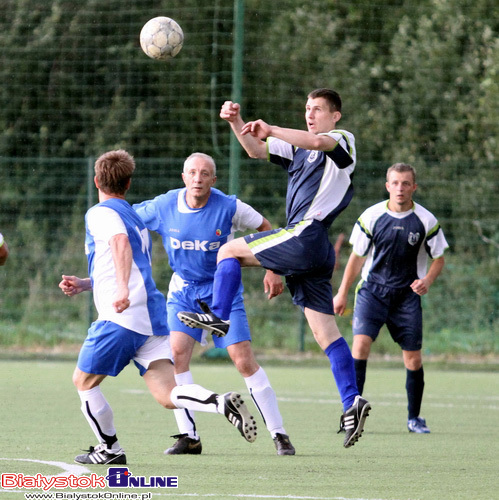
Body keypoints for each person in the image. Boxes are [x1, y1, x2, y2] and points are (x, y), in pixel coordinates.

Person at [178, 88, 371, 449]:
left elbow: (317, 141)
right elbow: (254, 149)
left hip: (307, 234)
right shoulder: (299, 148)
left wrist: (273, 128)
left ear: (335, 116)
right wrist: (237, 121)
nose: (310, 114)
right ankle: (351, 403)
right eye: (307, 109)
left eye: (317, 109)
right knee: (326, 335)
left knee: (229, 252)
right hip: (315, 249)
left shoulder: (342, 141)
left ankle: (218, 317)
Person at [59, 149, 257, 465]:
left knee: (83, 382)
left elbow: (120, 247)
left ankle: (109, 449)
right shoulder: (134, 216)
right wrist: (86, 283)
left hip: (121, 317)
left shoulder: (100, 213)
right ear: (128, 183)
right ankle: (219, 402)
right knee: (167, 394)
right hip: (151, 317)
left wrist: (121, 290)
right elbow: (125, 261)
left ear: (97, 180)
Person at [133, 152, 295, 456]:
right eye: (192, 172)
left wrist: (273, 269)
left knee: (243, 360)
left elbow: (267, 229)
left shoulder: (229, 206)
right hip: (183, 291)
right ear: (183, 177)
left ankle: (279, 434)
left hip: (222, 292)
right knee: (176, 358)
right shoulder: (164, 205)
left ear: (213, 180)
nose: (198, 178)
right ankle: (189, 436)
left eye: (205, 173)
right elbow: (129, 219)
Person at [333, 163, 448, 434]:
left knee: (413, 360)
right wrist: (342, 292)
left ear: (413, 187)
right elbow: (356, 259)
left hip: (406, 297)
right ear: (387, 186)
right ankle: (351, 414)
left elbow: (439, 259)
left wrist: (427, 281)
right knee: (359, 348)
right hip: (372, 293)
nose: (400, 188)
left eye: (405, 183)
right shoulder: (371, 217)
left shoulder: (426, 220)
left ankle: (414, 419)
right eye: (395, 183)